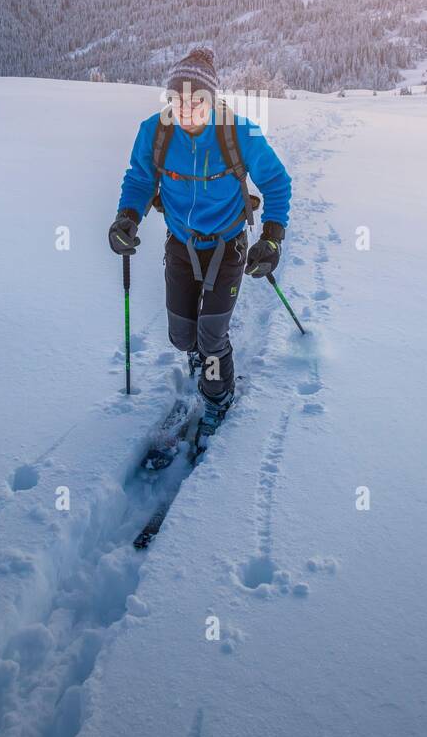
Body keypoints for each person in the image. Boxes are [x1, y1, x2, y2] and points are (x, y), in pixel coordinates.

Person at [108, 45, 292, 443]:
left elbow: (277, 182)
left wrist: (272, 238)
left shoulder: (240, 133)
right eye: (177, 99)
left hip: (228, 243)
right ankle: (202, 361)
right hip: (181, 242)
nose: (186, 109)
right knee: (182, 337)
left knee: (211, 337)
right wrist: (128, 216)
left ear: (212, 99)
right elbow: (141, 180)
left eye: (197, 100)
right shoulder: (154, 132)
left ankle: (217, 399)